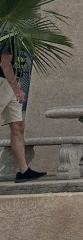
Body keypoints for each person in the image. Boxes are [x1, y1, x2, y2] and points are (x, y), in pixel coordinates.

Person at [0, 51, 46, 181]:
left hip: (12, 82)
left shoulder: (24, 39)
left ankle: (23, 170)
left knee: (18, 126)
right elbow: (5, 63)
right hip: (4, 82)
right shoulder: (11, 34)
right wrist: (16, 88)